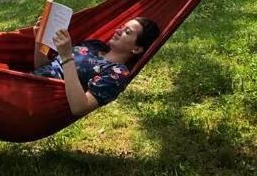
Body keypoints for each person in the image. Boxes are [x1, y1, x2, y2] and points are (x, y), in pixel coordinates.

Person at [32, 16, 161, 116]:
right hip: (28, 81)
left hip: (40, 97)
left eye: (127, 32)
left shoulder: (117, 73)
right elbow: (42, 67)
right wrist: (40, 42)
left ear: (137, 49)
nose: (118, 31)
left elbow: (80, 107)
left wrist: (67, 57)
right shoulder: (94, 45)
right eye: (121, 27)